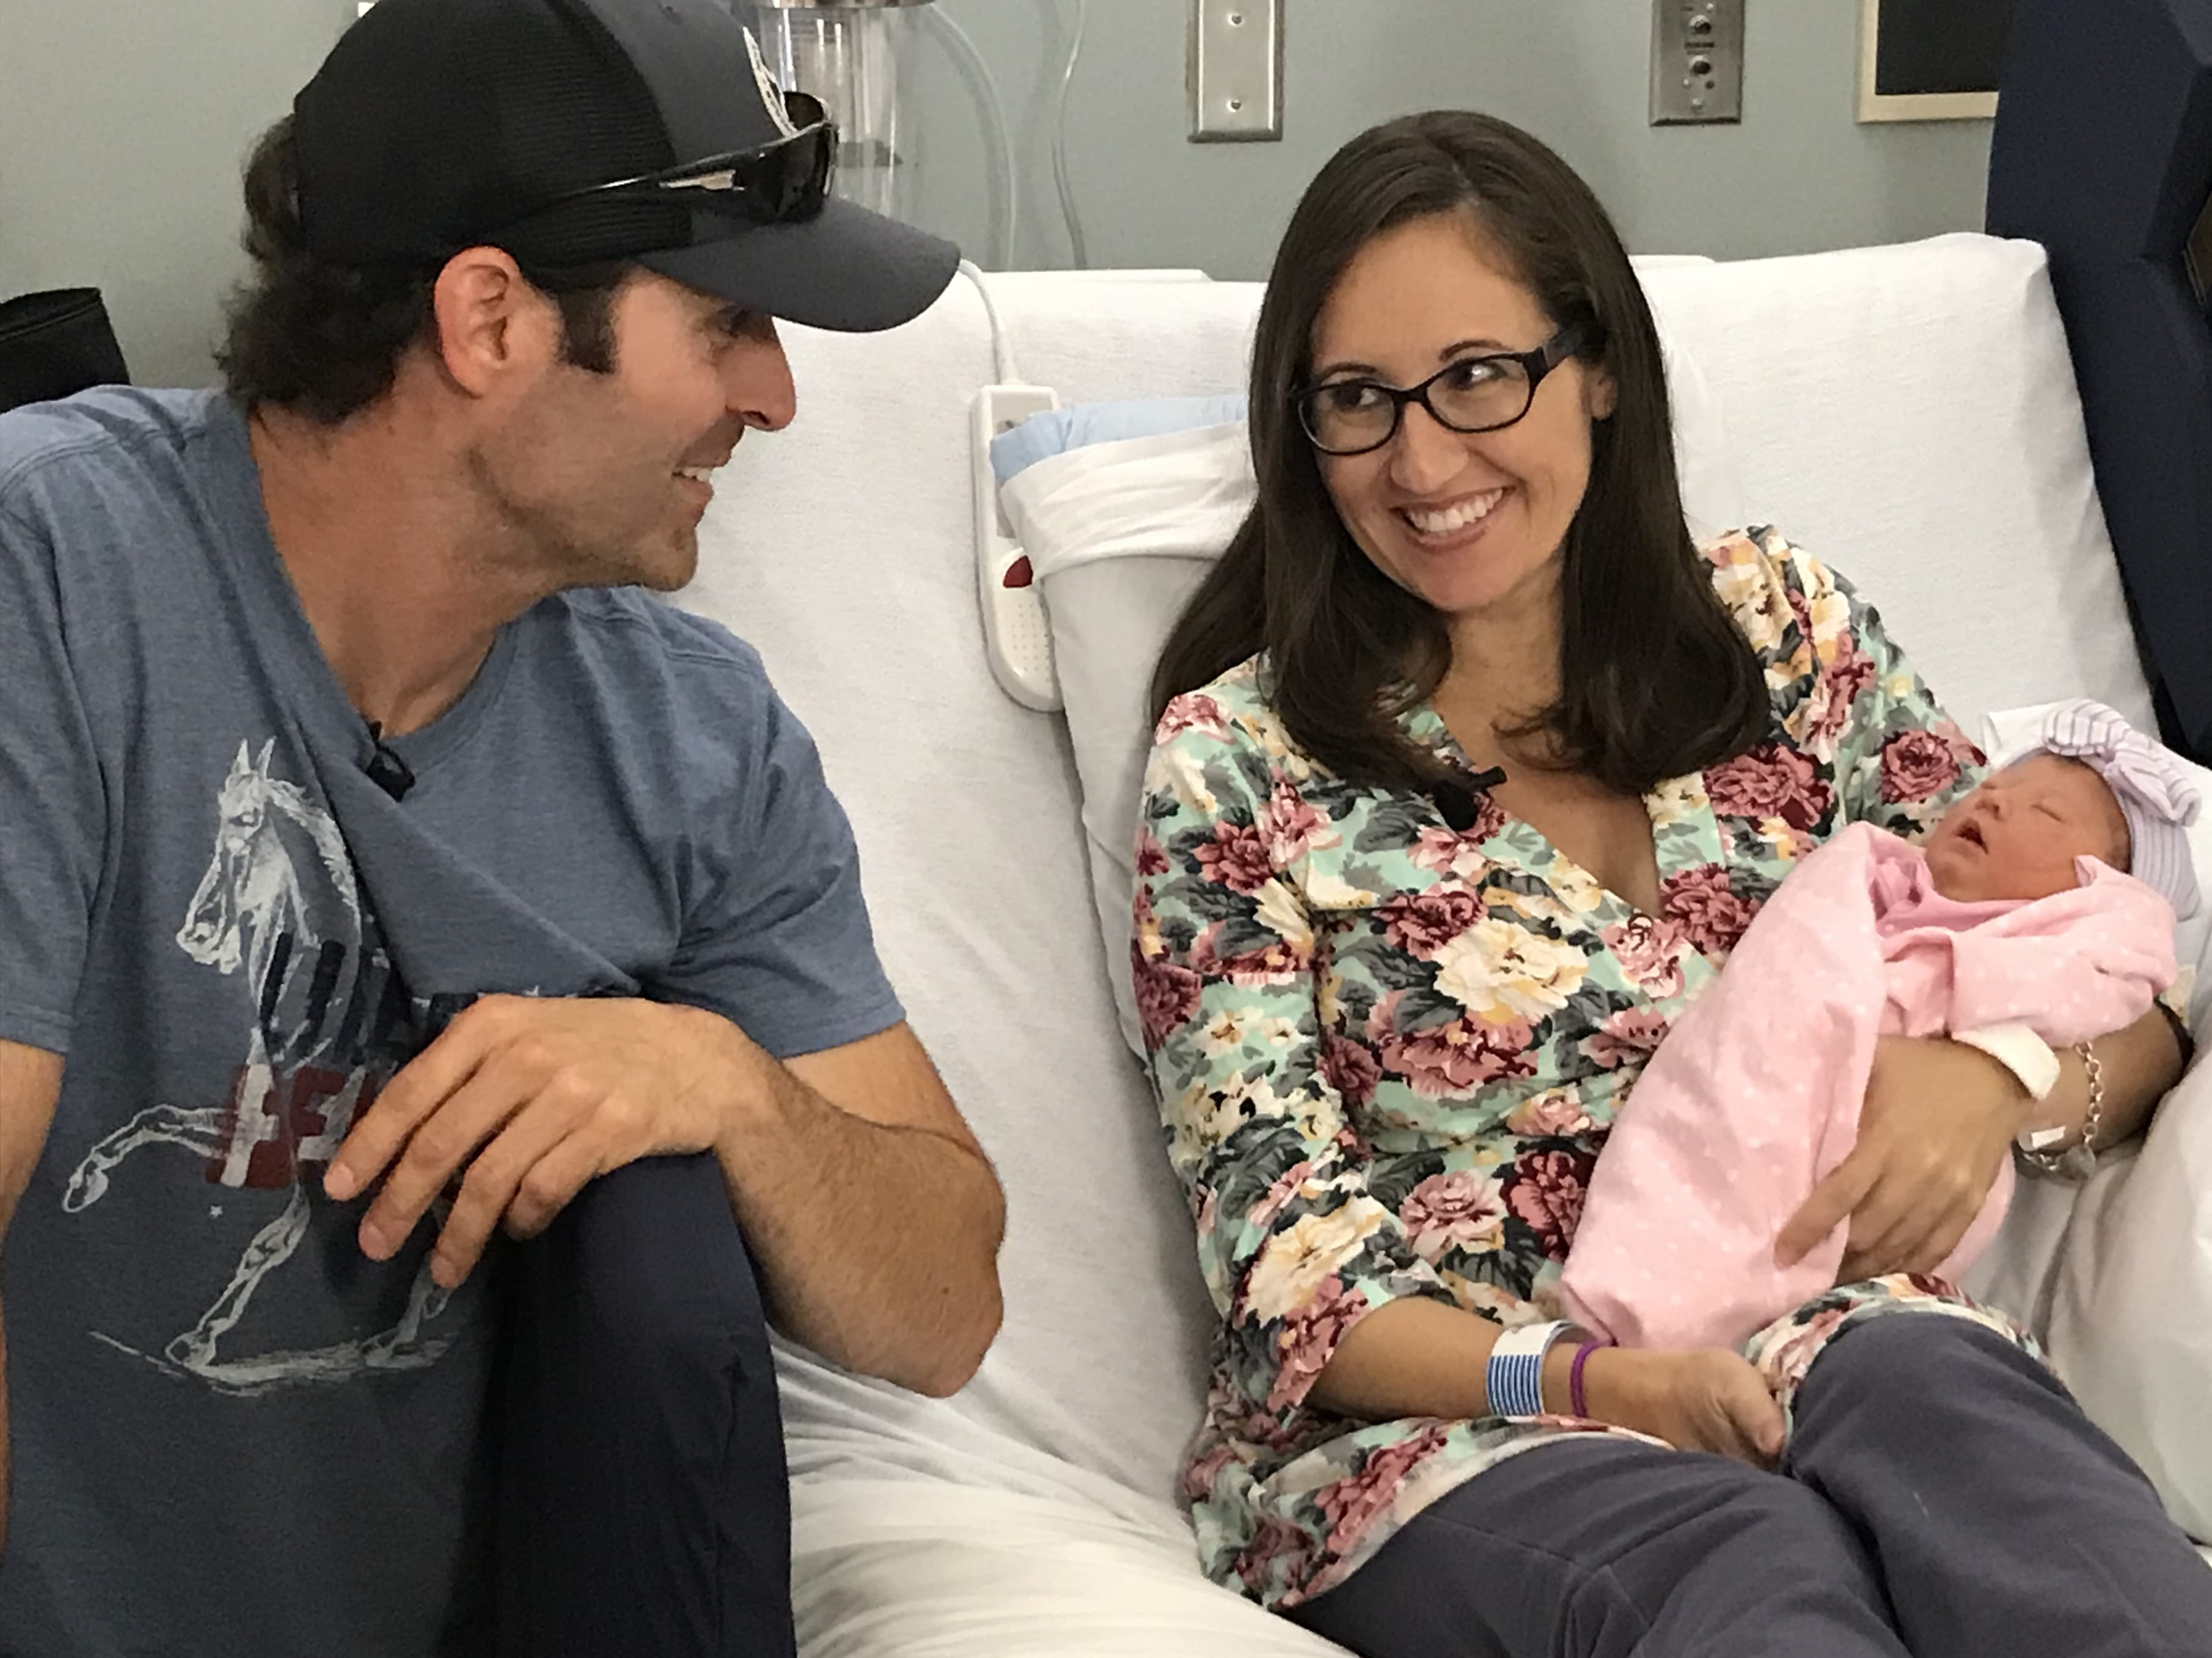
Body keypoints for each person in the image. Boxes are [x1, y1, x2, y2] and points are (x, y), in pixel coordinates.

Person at [1132, 109, 2212, 1658]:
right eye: (1356, 401)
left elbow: (2126, 983)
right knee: (1752, 1573)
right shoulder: (1239, 764)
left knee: (2045, 1518)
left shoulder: (1784, 632)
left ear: (1599, 368)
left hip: (1837, 1337)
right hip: (1470, 1427)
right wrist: (1588, 1380)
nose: (1421, 458)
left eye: (1479, 376)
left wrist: (2001, 1073)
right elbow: (1290, 1276)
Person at [0, 1, 1006, 1654]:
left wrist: (727, 1086)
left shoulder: (697, 740)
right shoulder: (53, 575)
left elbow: (944, 1305)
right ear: (491, 320)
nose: (775, 397)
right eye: (732, 322)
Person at [1564, 707, 2197, 1350]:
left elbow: (2140, 981)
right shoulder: (1872, 880)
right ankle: (1644, 1317)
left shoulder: (2046, 946)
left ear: (2097, 892)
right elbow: (1779, 987)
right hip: (1729, 1114)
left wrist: (2001, 1065)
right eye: (1990, 790)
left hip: (1875, 1224)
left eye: (2046, 813)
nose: (1994, 801)